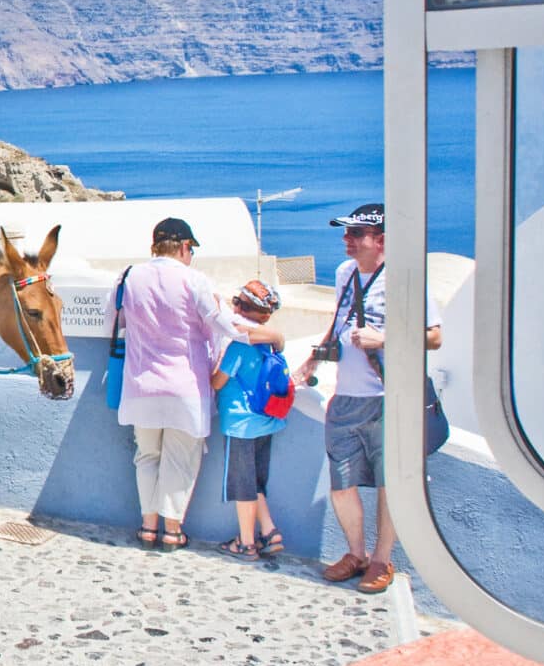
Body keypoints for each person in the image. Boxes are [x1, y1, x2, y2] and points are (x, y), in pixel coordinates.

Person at [295, 203, 442, 596]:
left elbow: (434, 337)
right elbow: (340, 318)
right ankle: (355, 554)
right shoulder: (346, 273)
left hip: (388, 397)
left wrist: (385, 338)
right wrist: (313, 357)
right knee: (341, 483)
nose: (346, 240)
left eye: (355, 234)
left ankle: (381, 559)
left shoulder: (407, 279)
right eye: (346, 233)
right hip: (346, 396)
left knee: (387, 484)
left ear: (382, 241)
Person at [118, 218, 284, 550]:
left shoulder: (130, 276)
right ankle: (172, 530)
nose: (191, 255)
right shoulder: (194, 280)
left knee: (147, 456)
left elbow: (118, 320)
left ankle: (148, 528)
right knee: (180, 460)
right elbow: (229, 327)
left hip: (140, 385)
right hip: (185, 388)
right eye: (191, 249)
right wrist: (276, 336)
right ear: (183, 247)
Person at [213, 280, 287, 561]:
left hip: (240, 424)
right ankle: (269, 531)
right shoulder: (274, 345)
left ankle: (246, 543)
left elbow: (218, 383)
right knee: (255, 481)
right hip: (267, 421)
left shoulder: (238, 348)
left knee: (242, 485)